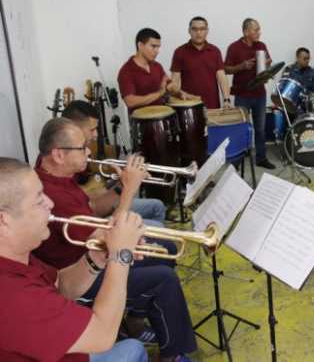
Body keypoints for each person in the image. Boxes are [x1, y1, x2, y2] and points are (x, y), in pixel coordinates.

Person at [34, 118, 197, 362]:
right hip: (82, 277)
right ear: (58, 154)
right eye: (82, 147)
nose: (89, 151)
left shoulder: (58, 175)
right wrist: (131, 189)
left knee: (167, 248)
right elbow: (107, 243)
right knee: (164, 279)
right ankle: (172, 355)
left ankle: (135, 320)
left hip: (90, 258)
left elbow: (91, 207)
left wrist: (121, 186)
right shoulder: (52, 194)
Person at [0, 156, 147, 361]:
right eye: (39, 199)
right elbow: (102, 336)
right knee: (135, 348)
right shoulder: (11, 296)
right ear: (3, 220)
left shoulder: (16, 255)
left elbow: (63, 287)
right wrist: (120, 256)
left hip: (69, 350)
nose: (50, 203)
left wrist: (98, 256)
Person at [62, 100, 167, 227]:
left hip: (94, 211)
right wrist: (126, 187)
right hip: (97, 227)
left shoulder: (70, 157)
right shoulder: (65, 163)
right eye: (92, 129)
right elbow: (99, 217)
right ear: (74, 129)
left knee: (157, 206)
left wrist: (120, 183)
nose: (96, 135)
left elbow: (87, 197)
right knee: (158, 227)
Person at [225, 18, 276, 169]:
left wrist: (268, 63)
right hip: (242, 94)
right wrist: (242, 66)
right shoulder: (234, 47)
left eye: (259, 29)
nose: (259, 33)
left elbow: (268, 61)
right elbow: (226, 68)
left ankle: (261, 158)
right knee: (242, 128)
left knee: (260, 128)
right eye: (256, 30)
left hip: (259, 93)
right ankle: (238, 159)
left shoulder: (261, 45)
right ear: (246, 31)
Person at [118, 28, 195, 114]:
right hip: (142, 124)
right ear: (140, 45)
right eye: (153, 46)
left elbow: (168, 86)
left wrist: (180, 93)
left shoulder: (157, 66)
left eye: (158, 47)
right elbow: (130, 101)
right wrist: (159, 93)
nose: (157, 51)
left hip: (163, 119)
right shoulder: (126, 71)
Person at [171, 16, 232, 109]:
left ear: (207, 31)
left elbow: (221, 76)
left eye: (202, 29)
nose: (198, 33)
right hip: (189, 108)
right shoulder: (179, 52)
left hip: (212, 105)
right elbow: (175, 82)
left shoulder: (215, 51)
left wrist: (226, 100)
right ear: (189, 31)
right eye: (194, 29)